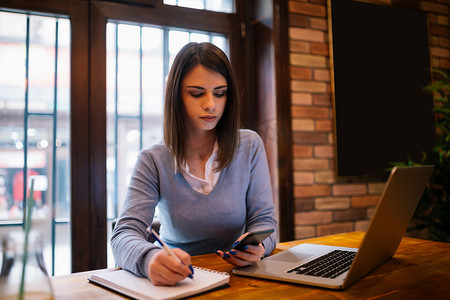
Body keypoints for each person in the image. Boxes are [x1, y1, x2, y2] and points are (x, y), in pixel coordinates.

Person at [111, 42, 278, 286]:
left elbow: (265, 219)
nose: (210, 104)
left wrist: (260, 247)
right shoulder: (153, 160)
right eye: (197, 93)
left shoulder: (250, 145)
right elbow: (124, 234)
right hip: (181, 280)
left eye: (220, 93)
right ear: (176, 95)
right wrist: (149, 258)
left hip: (240, 279)